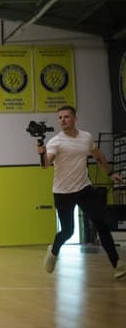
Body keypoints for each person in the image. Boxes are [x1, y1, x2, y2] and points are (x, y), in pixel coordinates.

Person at [38, 105, 125, 279]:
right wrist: (41, 152)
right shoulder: (56, 142)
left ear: (74, 118)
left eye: (66, 116)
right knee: (68, 231)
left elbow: (98, 156)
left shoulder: (86, 137)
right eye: (60, 117)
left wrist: (110, 173)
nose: (63, 120)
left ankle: (118, 264)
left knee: (101, 224)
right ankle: (53, 251)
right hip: (62, 192)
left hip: (84, 188)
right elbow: (45, 165)